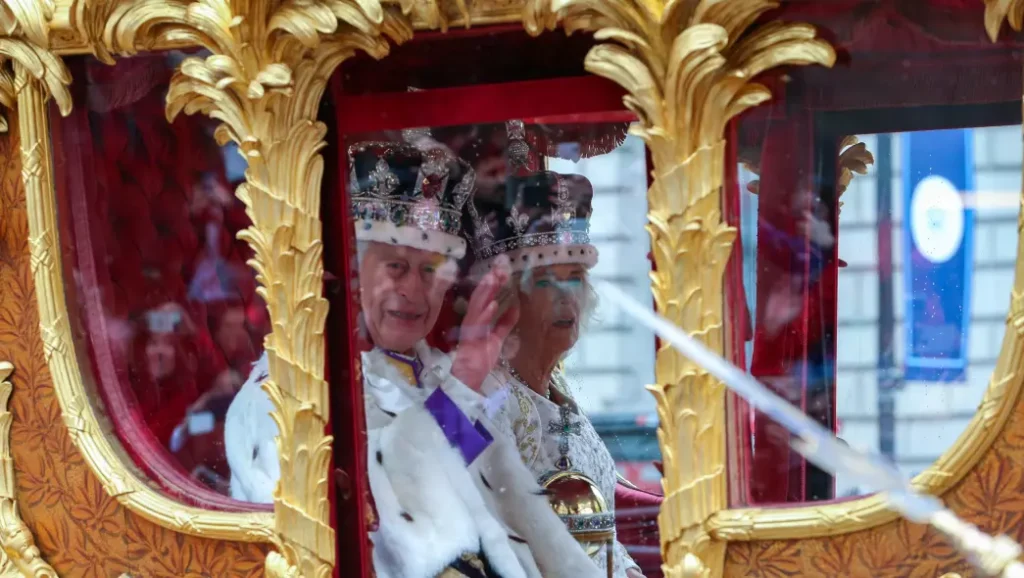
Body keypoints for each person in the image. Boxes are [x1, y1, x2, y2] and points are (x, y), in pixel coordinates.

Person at [225, 140, 602, 578]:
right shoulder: (287, 392)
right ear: (353, 269)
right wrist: (461, 385)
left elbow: (516, 516)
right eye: (396, 267)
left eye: (430, 271)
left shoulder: (439, 376)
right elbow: (383, 526)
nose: (413, 291)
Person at [462, 169, 645, 578]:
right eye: (546, 281)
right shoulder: (490, 398)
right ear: (509, 298)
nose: (568, 298)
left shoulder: (558, 388)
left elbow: (600, 534)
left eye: (575, 279)